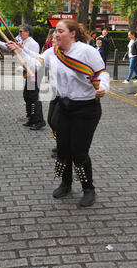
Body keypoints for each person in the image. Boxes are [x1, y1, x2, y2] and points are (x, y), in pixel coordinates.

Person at [7, 19, 110, 207]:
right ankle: (66, 183)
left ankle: (88, 189)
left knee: (79, 152)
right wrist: (18, 50)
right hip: (64, 106)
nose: (56, 34)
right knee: (62, 149)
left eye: (60, 31)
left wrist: (103, 86)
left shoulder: (87, 51)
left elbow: (102, 73)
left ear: (72, 34)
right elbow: (34, 64)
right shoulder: (51, 52)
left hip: (86, 108)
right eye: (55, 31)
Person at [0, 24, 46, 130]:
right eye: (19, 31)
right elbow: (8, 45)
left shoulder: (32, 44)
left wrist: (21, 50)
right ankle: (31, 118)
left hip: (34, 71)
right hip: (28, 71)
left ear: (27, 32)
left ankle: (39, 120)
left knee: (33, 96)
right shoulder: (22, 41)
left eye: (21, 31)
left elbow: (33, 58)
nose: (19, 33)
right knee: (27, 95)